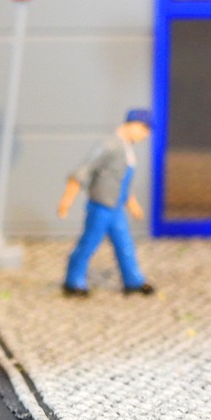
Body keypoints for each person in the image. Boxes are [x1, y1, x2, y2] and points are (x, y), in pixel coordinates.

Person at [57, 109, 154, 297]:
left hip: (116, 208)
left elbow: (121, 182)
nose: (146, 134)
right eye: (144, 128)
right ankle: (73, 281)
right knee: (88, 243)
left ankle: (133, 280)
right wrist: (67, 200)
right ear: (132, 124)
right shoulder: (108, 145)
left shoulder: (127, 149)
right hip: (101, 207)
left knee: (125, 245)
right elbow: (82, 171)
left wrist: (132, 204)